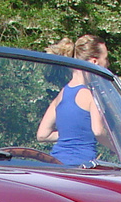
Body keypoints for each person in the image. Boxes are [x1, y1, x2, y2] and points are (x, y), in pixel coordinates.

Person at [36, 35, 109, 166]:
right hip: (81, 168)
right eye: (106, 59)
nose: (108, 64)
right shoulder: (90, 95)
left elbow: (42, 135)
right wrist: (120, 148)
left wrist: (71, 133)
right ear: (94, 62)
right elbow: (98, 131)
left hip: (55, 164)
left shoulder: (62, 94)